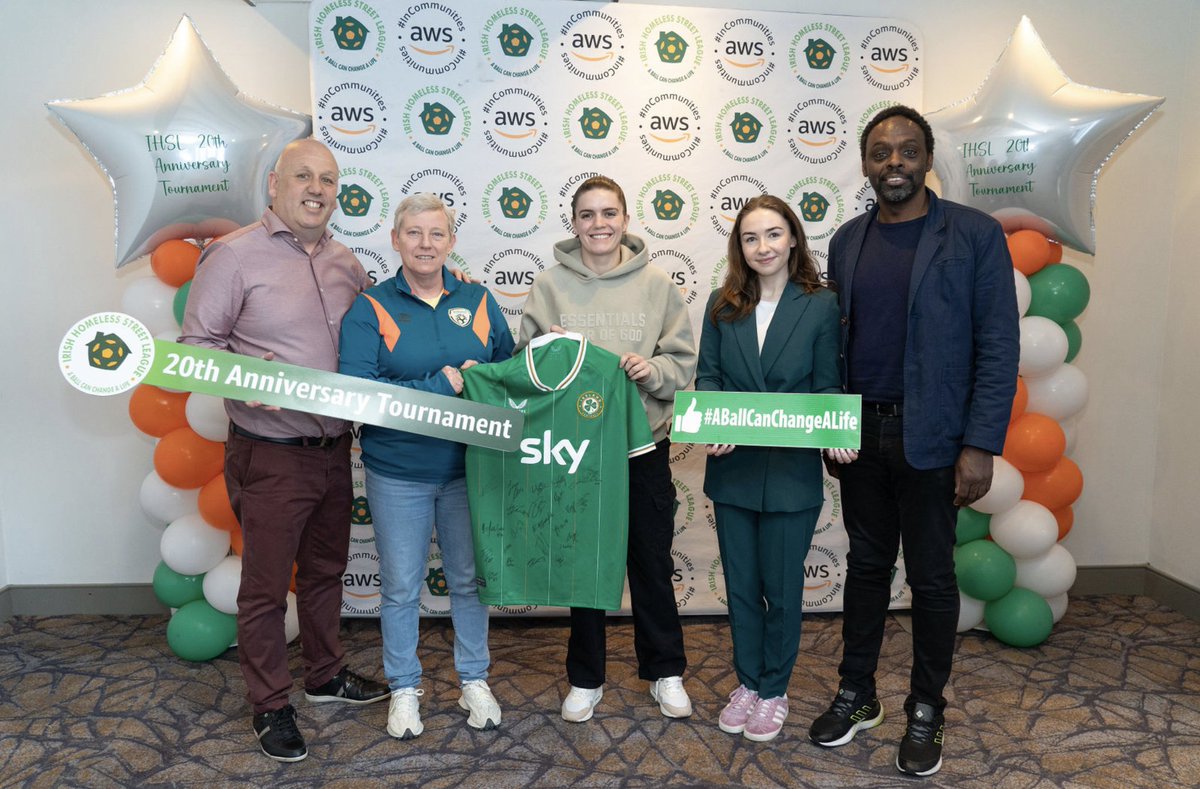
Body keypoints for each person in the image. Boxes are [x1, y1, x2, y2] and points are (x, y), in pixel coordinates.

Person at [808, 105, 1019, 776]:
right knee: (866, 568)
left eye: (906, 150)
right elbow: (833, 343)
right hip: (860, 435)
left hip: (935, 435)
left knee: (931, 579)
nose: (893, 162)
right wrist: (827, 422)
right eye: (880, 152)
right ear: (866, 164)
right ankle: (858, 690)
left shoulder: (976, 235)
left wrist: (981, 442)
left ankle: (927, 706)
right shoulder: (846, 239)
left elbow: (998, 344)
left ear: (928, 160)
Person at [179, 138, 389, 763]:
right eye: (303, 175)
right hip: (270, 453)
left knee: (326, 573)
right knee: (266, 589)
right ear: (274, 184)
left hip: (333, 448)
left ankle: (324, 676)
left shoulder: (347, 262)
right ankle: (270, 704)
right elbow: (196, 351)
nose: (317, 188)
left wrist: (445, 284)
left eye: (328, 178)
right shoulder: (233, 256)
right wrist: (246, 377)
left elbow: (385, 325)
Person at [517, 175, 698, 723]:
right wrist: (546, 352)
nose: (599, 224)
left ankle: (666, 672)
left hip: (643, 448)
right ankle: (585, 677)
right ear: (574, 223)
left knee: (651, 563)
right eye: (588, 214)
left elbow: (682, 364)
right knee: (585, 567)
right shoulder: (549, 284)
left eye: (609, 213)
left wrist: (655, 370)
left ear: (625, 218)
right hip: (577, 451)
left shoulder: (659, 285)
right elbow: (525, 363)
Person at [339, 193, 514, 740]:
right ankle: (405, 688)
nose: (425, 244)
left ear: (451, 241)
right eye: (413, 233)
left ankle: (473, 678)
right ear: (395, 239)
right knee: (399, 588)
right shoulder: (370, 308)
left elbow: (508, 376)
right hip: (398, 472)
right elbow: (358, 394)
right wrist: (444, 384)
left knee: (468, 582)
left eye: (436, 234)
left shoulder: (479, 301)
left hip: (470, 470)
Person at [695, 195, 845, 743]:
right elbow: (708, 377)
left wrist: (836, 434)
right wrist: (714, 419)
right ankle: (748, 683)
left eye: (774, 234)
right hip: (733, 469)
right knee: (740, 587)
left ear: (794, 240)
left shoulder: (821, 304)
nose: (763, 247)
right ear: (740, 246)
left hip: (791, 471)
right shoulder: (721, 303)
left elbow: (827, 383)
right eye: (751, 237)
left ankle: (774, 689)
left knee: (781, 589)